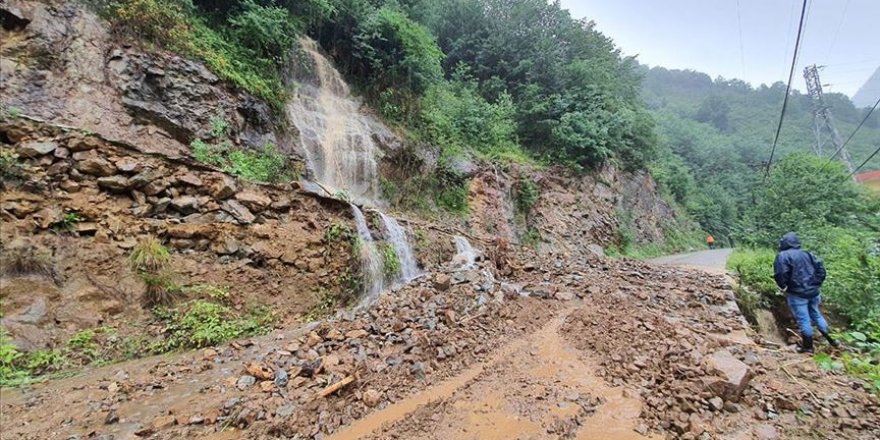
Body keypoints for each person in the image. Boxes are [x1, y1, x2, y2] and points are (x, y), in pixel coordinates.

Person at [773, 232, 839, 353]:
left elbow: (780, 274)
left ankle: (808, 347)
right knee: (816, 314)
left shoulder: (783, 255)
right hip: (813, 292)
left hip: (797, 294)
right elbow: (821, 270)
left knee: (803, 320)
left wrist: (784, 287)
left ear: (784, 242)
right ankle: (832, 340)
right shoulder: (807, 254)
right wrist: (816, 284)